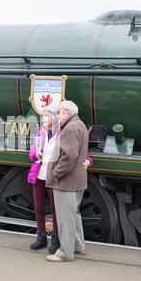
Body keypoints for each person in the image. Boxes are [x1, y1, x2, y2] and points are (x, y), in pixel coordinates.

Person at [27, 107, 92, 254]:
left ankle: (56, 238)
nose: (43, 119)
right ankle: (41, 236)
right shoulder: (40, 134)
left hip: (54, 176)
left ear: (54, 119)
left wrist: (88, 161)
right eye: (42, 116)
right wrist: (35, 154)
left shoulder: (62, 133)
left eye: (46, 116)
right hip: (39, 174)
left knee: (56, 209)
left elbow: (75, 152)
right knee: (38, 207)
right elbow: (31, 153)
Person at [45, 100, 89, 262]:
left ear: (67, 113)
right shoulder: (80, 125)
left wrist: (57, 174)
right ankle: (78, 246)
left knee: (66, 218)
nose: (57, 116)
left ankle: (65, 253)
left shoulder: (70, 128)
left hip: (67, 182)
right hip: (77, 180)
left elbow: (69, 157)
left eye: (59, 112)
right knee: (74, 214)